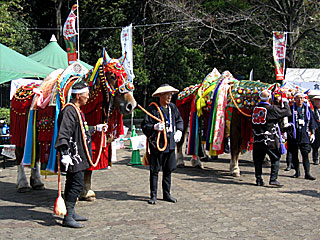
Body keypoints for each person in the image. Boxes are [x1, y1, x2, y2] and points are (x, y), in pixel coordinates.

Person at [55, 82, 107, 228]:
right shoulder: (69, 111)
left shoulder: (77, 110)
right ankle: (68, 217)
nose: (88, 97)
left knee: (73, 184)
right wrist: (64, 153)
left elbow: (82, 131)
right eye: (86, 94)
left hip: (78, 156)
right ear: (78, 96)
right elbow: (64, 134)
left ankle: (70, 212)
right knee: (76, 184)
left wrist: (96, 128)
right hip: (73, 156)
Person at [141, 84, 183, 204]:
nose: (169, 97)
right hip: (157, 144)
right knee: (155, 170)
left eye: (171, 94)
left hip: (170, 143)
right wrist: (154, 127)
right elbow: (145, 125)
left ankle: (166, 193)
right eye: (167, 94)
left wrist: (179, 130)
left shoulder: (173, 108)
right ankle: (153, 195)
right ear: (160, 95)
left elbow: (179, 119)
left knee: (168, 170)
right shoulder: (153, 109)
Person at [252, 90, 291, 187]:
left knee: (258, 161)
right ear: (269, 98)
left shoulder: (255, 109)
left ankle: (259, 179)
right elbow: (287, 112)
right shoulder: (271, 109)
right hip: (270, 140)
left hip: (257, 139)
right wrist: (285, 101)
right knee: (276, 159)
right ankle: (273, 179)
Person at [287, 92, 316, 180]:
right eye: (298, 98)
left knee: (305, 154)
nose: (300, 100)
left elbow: (311, 122)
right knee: (294, 155)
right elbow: (286, 122)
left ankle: (307, 173)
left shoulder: (307, 109)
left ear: (304, 99)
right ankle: (297, 172)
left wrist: (313, 133)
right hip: (294, 135)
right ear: (294, 99)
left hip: (304, 134)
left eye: (301, 98)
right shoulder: (291, 109)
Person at [311, 95, 320, 165]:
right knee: (315, 145)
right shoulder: (312, 110)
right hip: (316, 129)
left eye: (318, 101)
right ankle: (315, 159)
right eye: (316, 101)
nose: (317, 102)